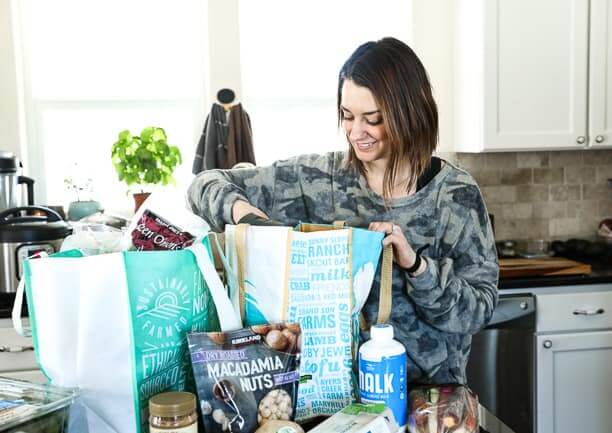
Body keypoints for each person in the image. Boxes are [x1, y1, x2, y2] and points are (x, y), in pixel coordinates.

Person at [187, 37, 498, 385]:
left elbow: (478, 312)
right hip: (334, 401)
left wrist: (416, 266)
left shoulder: (455, 194)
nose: (356, 132)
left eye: (373, 119)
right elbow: (204, 184)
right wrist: (248, 216)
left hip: (431, 400)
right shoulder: (318, 179)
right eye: (347, 116)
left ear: (409, 114)